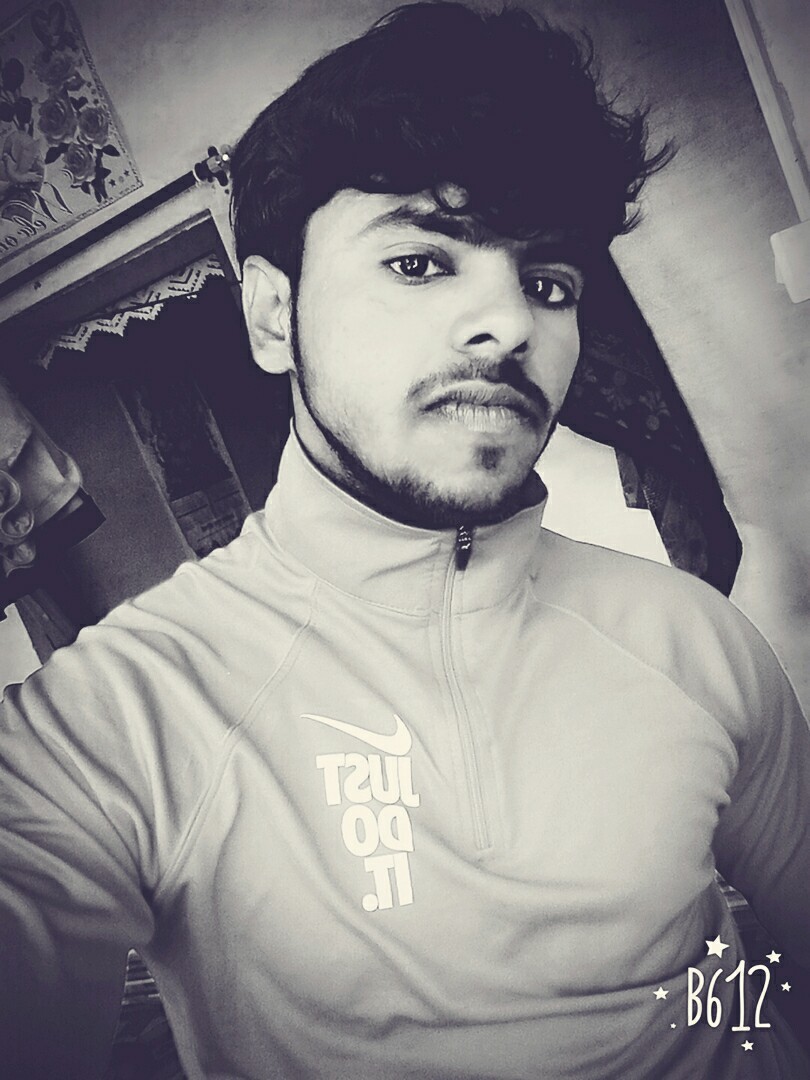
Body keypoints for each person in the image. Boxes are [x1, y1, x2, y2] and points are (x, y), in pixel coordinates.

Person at [2, 3, 809, 1078]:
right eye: (422, 262)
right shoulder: (116, 720)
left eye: (548, 283)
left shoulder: (695, 640)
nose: (511, 324)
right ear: (272, 315)